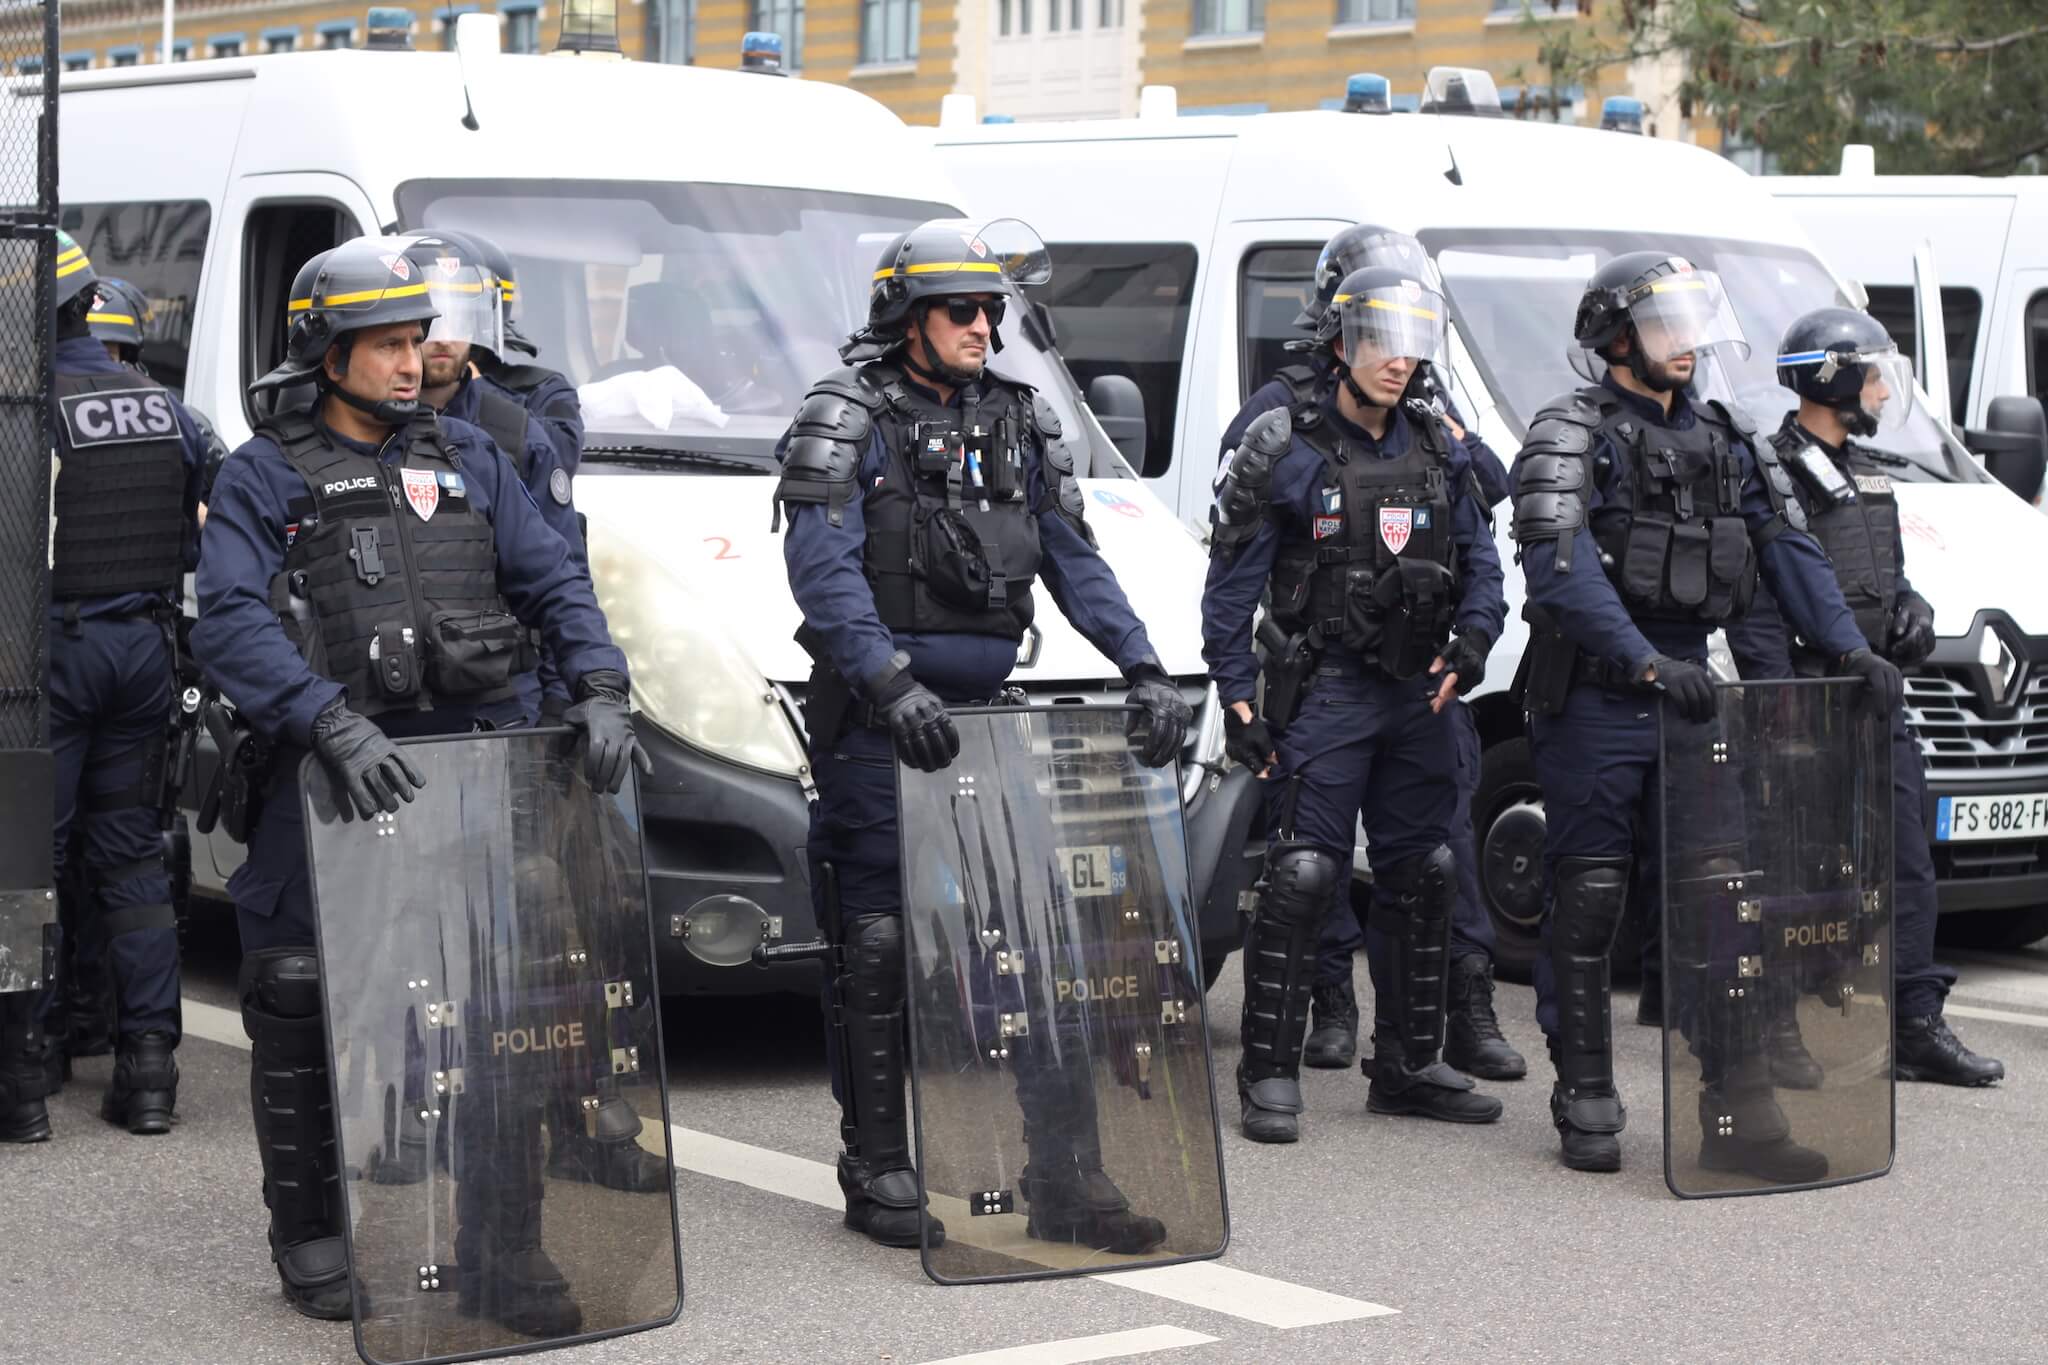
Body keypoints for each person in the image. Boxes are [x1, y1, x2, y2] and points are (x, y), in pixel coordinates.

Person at [192, 237, 648, 1325]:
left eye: (416, 340)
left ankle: (504, 1248)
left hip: (473, 779)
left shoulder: (468, 454)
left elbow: (550, 577)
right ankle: (311, 1231)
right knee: (301, 1000)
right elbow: (231, 621)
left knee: (498, 1010)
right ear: (326, 352)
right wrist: (326, 722)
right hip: (330, 783)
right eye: (388, 344)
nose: (413, 361)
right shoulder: (267, 472)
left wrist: (598, 686)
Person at [772, 217, 1191, 1251]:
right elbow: (821, 576)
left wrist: (1139, 661)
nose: (981, 326)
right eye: (961, 309)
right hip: (879, 729)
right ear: (905, 316)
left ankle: (1066, 1174)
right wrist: (888, 680)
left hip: (987, 731)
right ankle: (876, 1165)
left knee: (1039, 943)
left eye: (991, 310)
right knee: (876, 945)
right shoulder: (846, 414)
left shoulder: (1018, 420)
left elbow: (1071, 557)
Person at [1510, 252, 1905, 1175]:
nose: (1685, 344)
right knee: (1593, 897)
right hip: (1599, 699)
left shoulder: (1731, 437)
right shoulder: (1570, 432)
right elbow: (1559, 573)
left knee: (1723, 905)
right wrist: (1642, 661)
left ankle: (1740, 1114)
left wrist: (1849, 647)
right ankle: (1586, 1088)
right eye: (1663, 327)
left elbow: (1791, 552)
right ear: (1616, 341)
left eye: (1692, 325)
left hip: (1695, 697)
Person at [1204, 263, 1508, 1144]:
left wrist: (1476, 641)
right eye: (1378, 341)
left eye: (1410, 345)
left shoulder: (1439, 444)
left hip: (1424, 692)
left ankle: (1409, 1065)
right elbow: (1231, 588)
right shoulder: (1286, 446)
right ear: (1339, 344)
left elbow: (1483, 564)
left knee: (1427, 875)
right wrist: (1234, 692)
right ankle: (1267, 1070)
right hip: (1330, 688)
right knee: (1302, 876)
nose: (1396, 360)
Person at [1721, 307, 2002, 1087]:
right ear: (1832, 377)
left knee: (1907, 863)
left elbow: (1888, 573)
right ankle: (1774, 1023)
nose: (1882, 389)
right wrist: (1775, 702)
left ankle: (1914, 1022)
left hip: (1876, 694)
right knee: (1792, 869)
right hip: (1806, 694)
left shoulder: (1871, 472)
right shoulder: (1771, 470)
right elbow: (1758, 596)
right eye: (1872, 373)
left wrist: (1913, 611)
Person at [0, 236, 208, 1145]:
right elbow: (216, 528)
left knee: (23, 868)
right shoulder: (172, 411)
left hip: (44, 666)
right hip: (145, 652)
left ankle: (23, 1082)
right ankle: (150, 1070)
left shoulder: (22, 411)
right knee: (129, 859)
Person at [404, 230, 585, 723]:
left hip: (501, 691)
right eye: (430, 319)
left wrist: (564, 697)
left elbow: (560, 577)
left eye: (457, 318)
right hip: (388, 697)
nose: (442, 337)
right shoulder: (359, 427)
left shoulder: (515, 429)